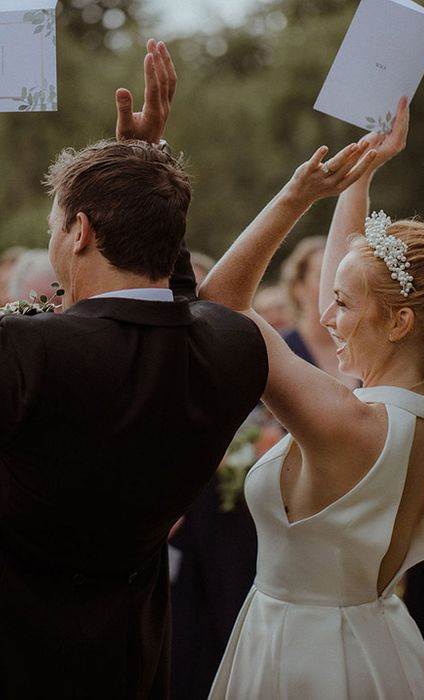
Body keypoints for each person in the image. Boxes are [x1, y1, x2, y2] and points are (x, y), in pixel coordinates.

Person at [200, 98, 424, 698]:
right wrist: (360, 178)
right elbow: (350, 285)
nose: (327, 318)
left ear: (399, 323)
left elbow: (220, 303)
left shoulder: (344, 418)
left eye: (343, 306)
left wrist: (295, 196)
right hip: (381, 646)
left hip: (301, 655)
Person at [0, 41, 268, 699]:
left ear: (81, 232)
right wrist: (143, 166)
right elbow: (174, 316)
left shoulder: (26, 351)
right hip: (131, 662)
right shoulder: (236, 351)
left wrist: (143, 162)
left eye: (55, 224)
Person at [279, 235, 358, 386]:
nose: (335, 284)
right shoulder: (282, 348)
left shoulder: (363, 345)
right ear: (298, 287)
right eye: (323, 276)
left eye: (339, 274)